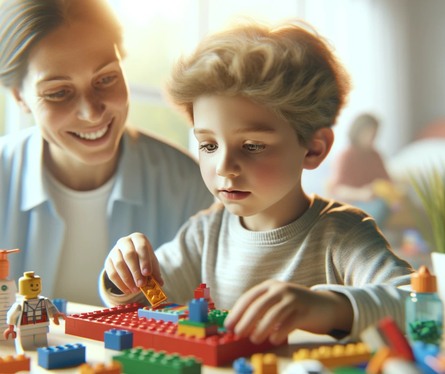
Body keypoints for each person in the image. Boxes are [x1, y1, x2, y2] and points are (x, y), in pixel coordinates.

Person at [100, 21, 414, 344]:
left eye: (252, 146)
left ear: (314, 148)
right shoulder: (204, 235)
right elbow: (144, 305)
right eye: (209, 145)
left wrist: (331, 307)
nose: (224, 167)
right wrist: (121, 274)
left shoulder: (342, 235)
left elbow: (421, 305)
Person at [0, 0, 213, 306]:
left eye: (105, 79)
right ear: (20, 97)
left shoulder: (188, 186)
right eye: (59, 93)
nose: (91, 112)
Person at [327, 113, 399, 228]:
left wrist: (392, 194)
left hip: (374, 201)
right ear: (357, 132)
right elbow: (337, 189)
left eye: (375, 134)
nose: (371, 137)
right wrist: (361, 194)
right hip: (351, 203)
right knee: (380, 206)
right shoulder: (346, 156)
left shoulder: (375, 155)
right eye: (368, 133)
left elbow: (387, 180)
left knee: (386, 205)